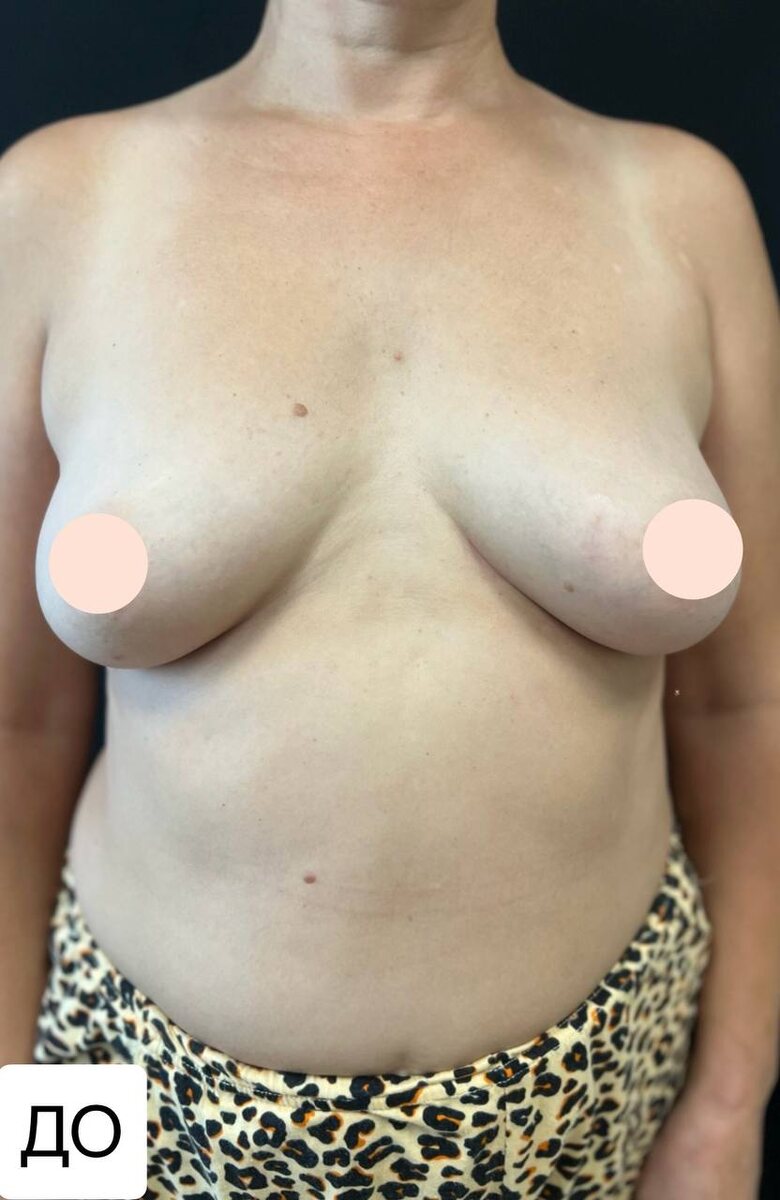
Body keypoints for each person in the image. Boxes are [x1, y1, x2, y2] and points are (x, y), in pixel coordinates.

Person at [1, 1, 778, 1196]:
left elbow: (743, 710)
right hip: (143, 1104)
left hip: (596, 1109)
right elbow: (15, 726)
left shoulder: (681, 206)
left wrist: (728, 1107)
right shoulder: (55, 202)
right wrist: (20, 1122)